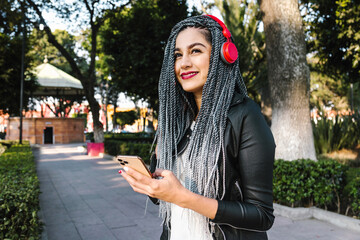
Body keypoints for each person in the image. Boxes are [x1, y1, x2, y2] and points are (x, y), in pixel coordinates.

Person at [119, 15, 276, 240]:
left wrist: (185, 197)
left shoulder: (245, 115)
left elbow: (261, 216)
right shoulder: (176, 121)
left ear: (223, 55)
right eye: (178, 55)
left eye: (195, 51)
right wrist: (150, 184)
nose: (184, 63)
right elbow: (163, 197)